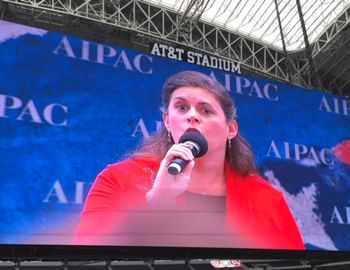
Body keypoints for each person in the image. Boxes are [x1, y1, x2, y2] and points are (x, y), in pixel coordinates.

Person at [75, 70, 305, 249]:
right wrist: (156, 203)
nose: (191, 116)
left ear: (231, 129)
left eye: (206, 110)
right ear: (167, 121)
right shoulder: (118, 178)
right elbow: (86, 257)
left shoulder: (267, 197)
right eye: (181, 107)